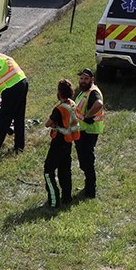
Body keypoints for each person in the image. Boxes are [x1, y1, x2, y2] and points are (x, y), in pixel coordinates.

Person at [43, 78, 81, 208]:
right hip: (68, 142)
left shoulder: (59, 109)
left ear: (59, 93)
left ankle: (54, 201)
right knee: (65, 171)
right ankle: (67, 197)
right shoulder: (72, 104)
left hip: (58, 143)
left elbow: (48, 123)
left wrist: (53, 123)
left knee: (48, 171)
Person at [73, 68, 105, 198]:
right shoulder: (84, 92)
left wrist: (87, 116)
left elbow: (99, 103)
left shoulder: (92, 92)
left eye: (86, 79)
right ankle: (88, 185)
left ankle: (91, 191)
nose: (83, 81)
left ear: (92, 80)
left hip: (88, 131)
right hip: (83, 131)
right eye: (81, 78)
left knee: (87, 161)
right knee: (84, 161)